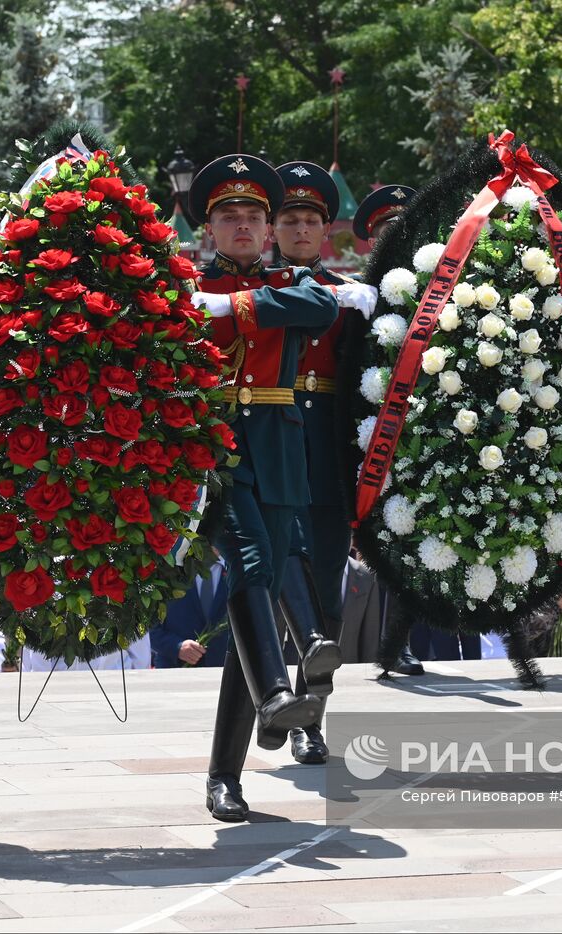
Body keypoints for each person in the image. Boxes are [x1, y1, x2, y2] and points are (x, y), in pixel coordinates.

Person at [187, 153, 372, 822]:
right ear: (207, 226)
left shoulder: (297, 281)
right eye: (228, 215)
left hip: (281, 441)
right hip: (212, 444)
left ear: (267, 230)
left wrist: (227, 306)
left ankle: (225, 775)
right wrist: (232, 305)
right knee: (254, 566)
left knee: (252, 599)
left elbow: (315, 307)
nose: (242, 226)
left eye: (253, 216)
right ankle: (273, 695)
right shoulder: (182, 282)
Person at [272, 160, 353, 764]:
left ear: (325, 230)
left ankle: (312, 716)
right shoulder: (258, 288)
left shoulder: (350, 293)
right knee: (276, 572)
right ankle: (271, 696)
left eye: (311, 220)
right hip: (272, 437)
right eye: (290, 218)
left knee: (324, 588)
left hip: (323, 445)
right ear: (274, 228)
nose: (301, 229)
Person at [351, 183, 428, 678]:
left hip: (416, 429)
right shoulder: (353, 290)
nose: (396, 238)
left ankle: (396, 641)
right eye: (386, 230)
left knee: (409, 531)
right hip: (360, 427)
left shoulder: (437, 290)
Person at [148, 557, 230, 669]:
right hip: (175, 672)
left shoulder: (239, 569)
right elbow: (149, 627)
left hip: (225, 673)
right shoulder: (168, 568)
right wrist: (177, 647)